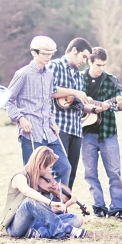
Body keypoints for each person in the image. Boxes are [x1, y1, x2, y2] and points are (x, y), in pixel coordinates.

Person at [5, 36, 72, 185]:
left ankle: (56, 204)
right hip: (30, 132)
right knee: (32, 175)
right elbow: (7, 100)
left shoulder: (49, 74)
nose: (48, 57)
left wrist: (52, 121)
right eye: (44, 53)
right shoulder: (22, 74)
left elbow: (48, 101)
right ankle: (31, 206)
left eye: (51, 54)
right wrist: (20, 119)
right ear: (34, 53)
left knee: (65, 167)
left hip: (49, 131)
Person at [81, 47, 122, 220]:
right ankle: (98, 206)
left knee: (114, 172)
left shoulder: (110, 80)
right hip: (86, 132)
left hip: (107, 131)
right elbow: (75, 104)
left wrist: (120, 103)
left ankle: (117, 209)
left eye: (103, 65)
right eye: (97, 65)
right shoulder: (79, 79)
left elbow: (120, 105)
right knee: (90, 172)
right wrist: (89, 108)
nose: (100, 68)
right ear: (90, 62)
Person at [0, 146, 88, 239]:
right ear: (41, 164)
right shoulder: (19, 177)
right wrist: (50, 202)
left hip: (35, 224)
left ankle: (39, 233)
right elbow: (26, 191)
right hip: (16, 226)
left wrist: (64, 205)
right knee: (30, 201)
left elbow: (45, 215)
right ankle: (62, 229)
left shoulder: (40, 180)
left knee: (77, 219)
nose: (49, 171)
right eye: (50, 167)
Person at [48, 37, 96, 189]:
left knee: (71, 172)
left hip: (76, 129)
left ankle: (64, 207)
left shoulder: (79, 75)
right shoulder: (54, 66)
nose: (85, 61)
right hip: (58, 126)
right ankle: (51, 207)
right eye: (84, 57)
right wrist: (74, 92)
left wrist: (95, 107)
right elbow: (49, 89)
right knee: (58, 171)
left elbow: (78, 104)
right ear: (75, 50)